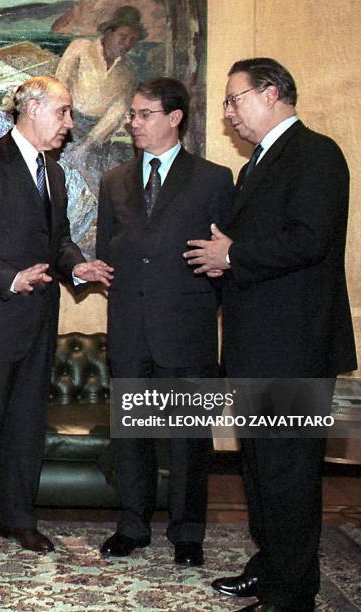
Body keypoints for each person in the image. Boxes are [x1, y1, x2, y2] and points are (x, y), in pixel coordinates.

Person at [184, 58, 357, 611]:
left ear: (272, 92)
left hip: (296, 348)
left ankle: (291, 593)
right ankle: (271, 566)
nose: (229, 113)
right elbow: (260, 247)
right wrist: (224, 261)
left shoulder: (316, 154)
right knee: (261, 472)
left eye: (235, 99)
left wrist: (233, 254)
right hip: (259, 346)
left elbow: (309, 240)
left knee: (289, 475)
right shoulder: (256, 164)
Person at [0, 75, 113, 562]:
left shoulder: (53, 173)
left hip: (38, 324)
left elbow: (57, 240)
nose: (70, 124)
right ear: (32, 108)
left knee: (27, 430)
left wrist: (77, 265)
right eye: (64, 112)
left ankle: (19, 521)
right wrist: (10, 278)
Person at [96, 77, 233, 566]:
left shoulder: (215, 179)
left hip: (187, 330)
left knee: (188, 441)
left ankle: (188, 533)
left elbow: (222, 263)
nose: (133, 122)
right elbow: (107, 257)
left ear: (174, 118)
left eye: (144, 113)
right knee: (131, 437)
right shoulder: (114, 180)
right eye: (132, 113)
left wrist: (194, 308)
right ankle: (132, 527)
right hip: (130, 329)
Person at [55, 5, 146, 155]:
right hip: (66, 118)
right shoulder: (80, 48)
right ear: (109, 32)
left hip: (98, 131)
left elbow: (117, 112)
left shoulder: (129, 72)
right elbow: (59, 85)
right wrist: (61, 122)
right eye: (123, 37)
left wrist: (89, 143)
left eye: (132, 40)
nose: (127, 44)